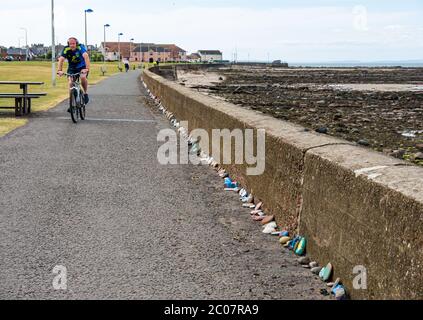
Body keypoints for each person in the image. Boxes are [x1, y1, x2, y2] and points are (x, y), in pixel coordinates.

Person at [57, 37, 91, 104]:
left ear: (76, 43)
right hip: (72, 68)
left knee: (83, 77)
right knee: (70, 82)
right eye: (70, 44)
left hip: (82, 67)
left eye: (73, 43)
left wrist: (87, 69)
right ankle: (71, 102)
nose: (72, 45)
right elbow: (61, 59)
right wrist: (59, 70)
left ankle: (85, 93)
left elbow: (86, 56)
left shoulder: (80, 47)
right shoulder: (66, 49)